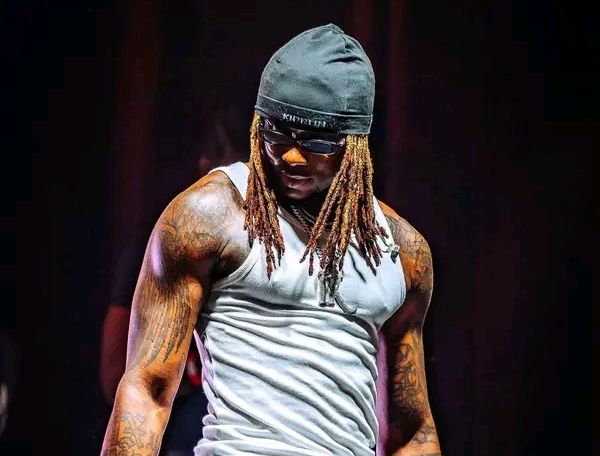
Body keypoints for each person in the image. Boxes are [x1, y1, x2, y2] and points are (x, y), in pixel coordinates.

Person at [101, 23, 441, 455]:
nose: (292, 156)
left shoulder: (402, 252)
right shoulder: (209, 216)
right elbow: (146, 391)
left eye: (316, 141)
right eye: (277, 135)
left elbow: (413, 431)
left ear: (355, 144)